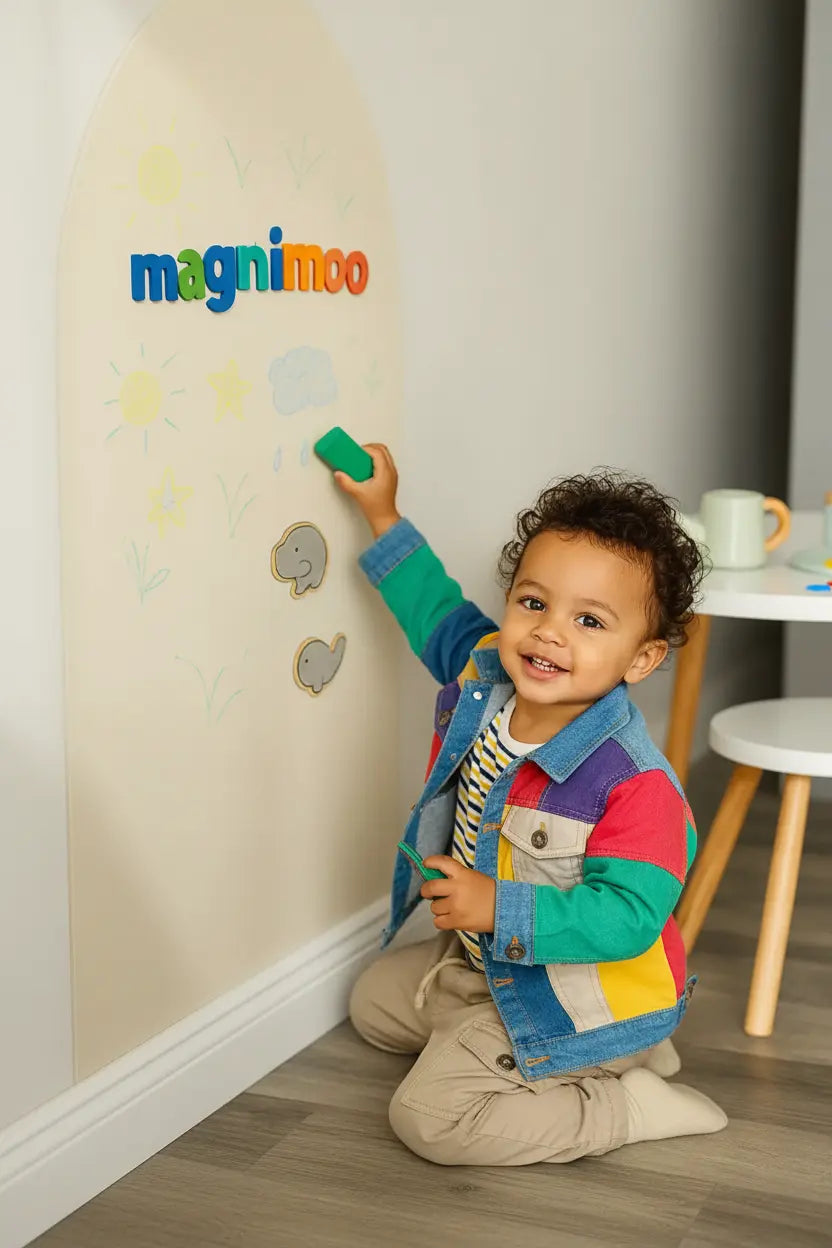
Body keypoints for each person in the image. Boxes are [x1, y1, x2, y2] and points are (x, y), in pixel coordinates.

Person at [337, 445, 727, 1167]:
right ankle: (562, 1047)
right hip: (489, 967)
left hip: (583, 987)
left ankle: (624, 1098)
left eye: (590, 621)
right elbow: (432, 606)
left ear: (641, 659)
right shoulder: (486, 673)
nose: (549, 630)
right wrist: (382, 511)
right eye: (534, 602)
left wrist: (499, 908)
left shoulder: (637, 786)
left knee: (430, 1119)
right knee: (372, 1006)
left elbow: (628, 920)